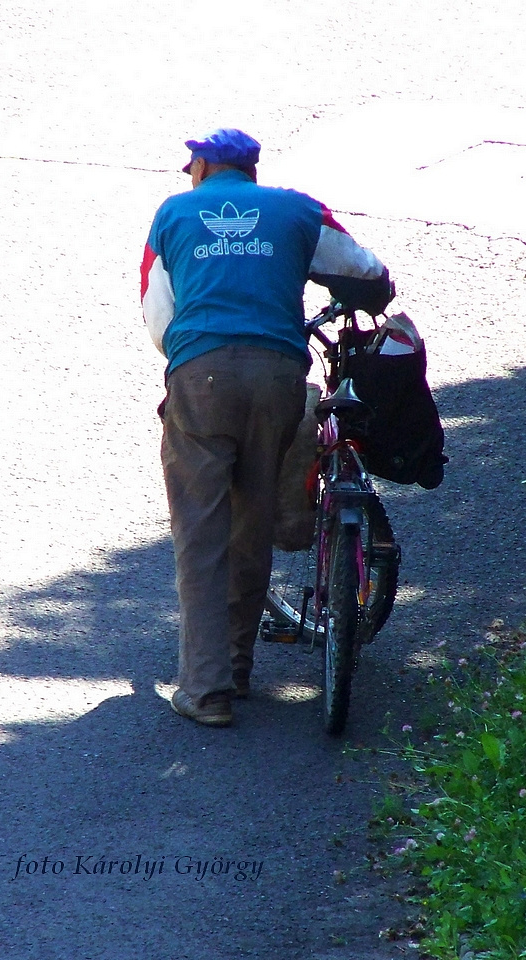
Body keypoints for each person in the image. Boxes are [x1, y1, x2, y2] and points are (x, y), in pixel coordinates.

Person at [141, 128, 392, 727]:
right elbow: (368, 272)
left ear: (202, 166)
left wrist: (192, 366)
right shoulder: (300, 209)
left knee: (201, 534)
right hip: (280, 376)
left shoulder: (173, 214)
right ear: (252, 170)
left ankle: (206, 692)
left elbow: (158, 316)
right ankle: (237, 666)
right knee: (251, 519)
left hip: (201, 374)